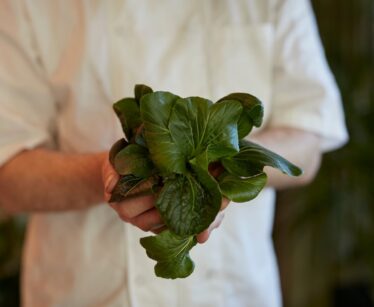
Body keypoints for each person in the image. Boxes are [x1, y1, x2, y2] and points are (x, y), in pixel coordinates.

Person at [0, 0, 348, 306]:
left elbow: (307, 141)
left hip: (235, 291)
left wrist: (217, 173)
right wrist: (109, 174)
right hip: (87, 291)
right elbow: (8, 175)